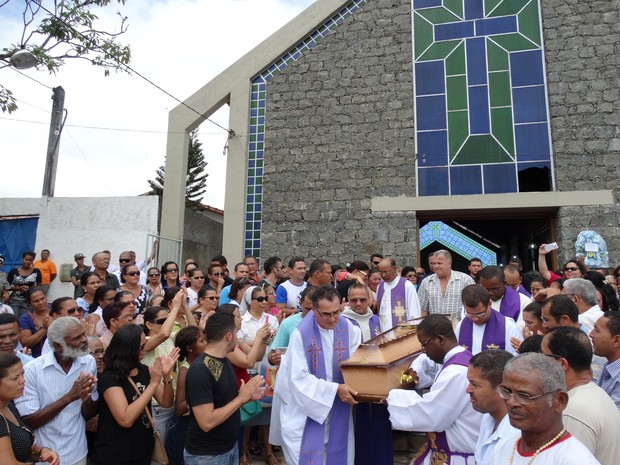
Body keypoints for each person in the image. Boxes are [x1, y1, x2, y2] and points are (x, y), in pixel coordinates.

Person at [270, 286, 362, 465]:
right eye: (326, 314)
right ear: (313, 310)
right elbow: (298, 378)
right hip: (304, 412)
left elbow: (357, 364)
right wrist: (334, 389)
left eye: (336, 312)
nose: (333, 318)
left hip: (339, 409)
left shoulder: (349, 329)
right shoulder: (301, 335)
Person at [387, 314, 482, 465]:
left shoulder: (456, 372)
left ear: (440, 340)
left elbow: (433, 414)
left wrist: (391, 400)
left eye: (424, 344)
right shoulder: (459, 358)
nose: (423, 350)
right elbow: (425, 363)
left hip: (459, 457)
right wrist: (412, 375)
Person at [184, 312, 266, 465]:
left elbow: (221, 400)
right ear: (228, 336)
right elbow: (206, 422)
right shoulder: (200, 371)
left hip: (228, 448)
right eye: (236, 333)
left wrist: (247, 396)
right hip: (207, 456)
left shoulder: (223, 360)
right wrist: (241, 398)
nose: (238, 338)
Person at [15, 317, 98, 465]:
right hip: (45, 456)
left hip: (78, 451)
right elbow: (28, 422)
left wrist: (87, 400)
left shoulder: (89, 362)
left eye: (83, 334)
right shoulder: (32, 370)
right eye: (77, 338)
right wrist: (70, 397)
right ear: (58, 346)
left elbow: (88, 413)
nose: (85, 340)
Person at [92, 324, 178, 465]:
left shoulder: (144, 370)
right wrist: (153, 384)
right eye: (140, 347)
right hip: (116, 454)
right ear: (127, 350)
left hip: (142, 451)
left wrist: (167, 377)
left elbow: (166, 402)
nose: (145, 349)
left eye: (145, 344)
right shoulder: (109, 377)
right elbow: (125, 419)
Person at [493, 353, 600, 465]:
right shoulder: (504, 447)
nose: (511, 402)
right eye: (506, 391)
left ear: (560, 401)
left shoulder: (575, 460)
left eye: (524, 395)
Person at [541, 326, 620, 465]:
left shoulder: (574, 410)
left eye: (542, 356)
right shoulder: (591, 394)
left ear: (561, 364)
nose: (538, 364)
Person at [341, 282, 392, 465]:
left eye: (363, 299)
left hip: (377, 382)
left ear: (370, 300)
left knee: (380, 424)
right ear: (347, 301)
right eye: (354, 300)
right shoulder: (342, 321)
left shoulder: (375, 320)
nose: (358, 303)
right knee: (359, 427)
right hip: (354, 382)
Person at [0, 352, 60, 465]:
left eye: (22, 374)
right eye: (15, 378)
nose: (22, 380)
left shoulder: (9, 406)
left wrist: (42, 451)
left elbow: (20, 446)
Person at [465, 349, 517, 465]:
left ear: (502, 389)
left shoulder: (517, 435)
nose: (468, 390)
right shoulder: (488, 419)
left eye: (474, 384)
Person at [165, 326, 206, 465]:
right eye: (202, 341)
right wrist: (202, 398)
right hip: (184, 427)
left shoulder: (201, 364)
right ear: (189, 348)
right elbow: (180, 407)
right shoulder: (185, 370)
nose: (206, 343)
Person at [456, 285, 522, 355]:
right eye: (469, 314)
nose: (474, 319)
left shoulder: (508, 327)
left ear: (490, 304)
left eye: (480, 314)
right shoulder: (461, 326)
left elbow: (516, 360)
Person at [417, 250, 474, 319]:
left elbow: (472, 306)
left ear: (449, 263)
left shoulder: (465, 280)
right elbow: (422, 309)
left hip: (458, 327)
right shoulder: (426, 282)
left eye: (439, 263)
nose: (436, 266)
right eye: (433, 263)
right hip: (434, 327)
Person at [376, 258, 421, 330]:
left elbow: (414, 312)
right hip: (383, 334)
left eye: (386, 272)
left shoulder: (406, 285)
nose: (383, 275)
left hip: (402, 333)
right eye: (380, 272)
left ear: (395, 269)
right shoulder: (380, 287)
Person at [590, 312, 620, 410]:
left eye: (596, 330)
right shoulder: (609, 365)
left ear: (616, 340)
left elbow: (612, 419)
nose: (591, 334)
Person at [7, 251, 42, 319]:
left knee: (24, 321)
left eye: (30, 260)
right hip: (14, 301)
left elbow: (39, 287)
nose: (28, 262)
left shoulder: (36, 271)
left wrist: (30, 290)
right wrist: (19, 288)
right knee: (13, 320)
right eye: (26, 259)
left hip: (28, 301)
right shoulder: (13, 271)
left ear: (33, 261)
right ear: (22, 259)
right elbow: (7, 286)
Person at [18, 286, 50, 358]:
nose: (41, 302)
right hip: (36, 358)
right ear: (29, 303)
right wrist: (44, 329)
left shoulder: (56, 310)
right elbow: (25, 343)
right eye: (36, 301)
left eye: (42, 298)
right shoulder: (25, 319)